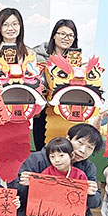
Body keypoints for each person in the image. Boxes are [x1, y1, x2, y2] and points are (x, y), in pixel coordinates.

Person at [32, 19, 79, 150]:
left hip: (67, 112)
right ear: (54, 35)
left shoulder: (78, 61)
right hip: (44, 113)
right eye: (62, 34)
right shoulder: (37, 56)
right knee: (43, 150)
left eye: (70, 35)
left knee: (66, 151)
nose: (66, 38)